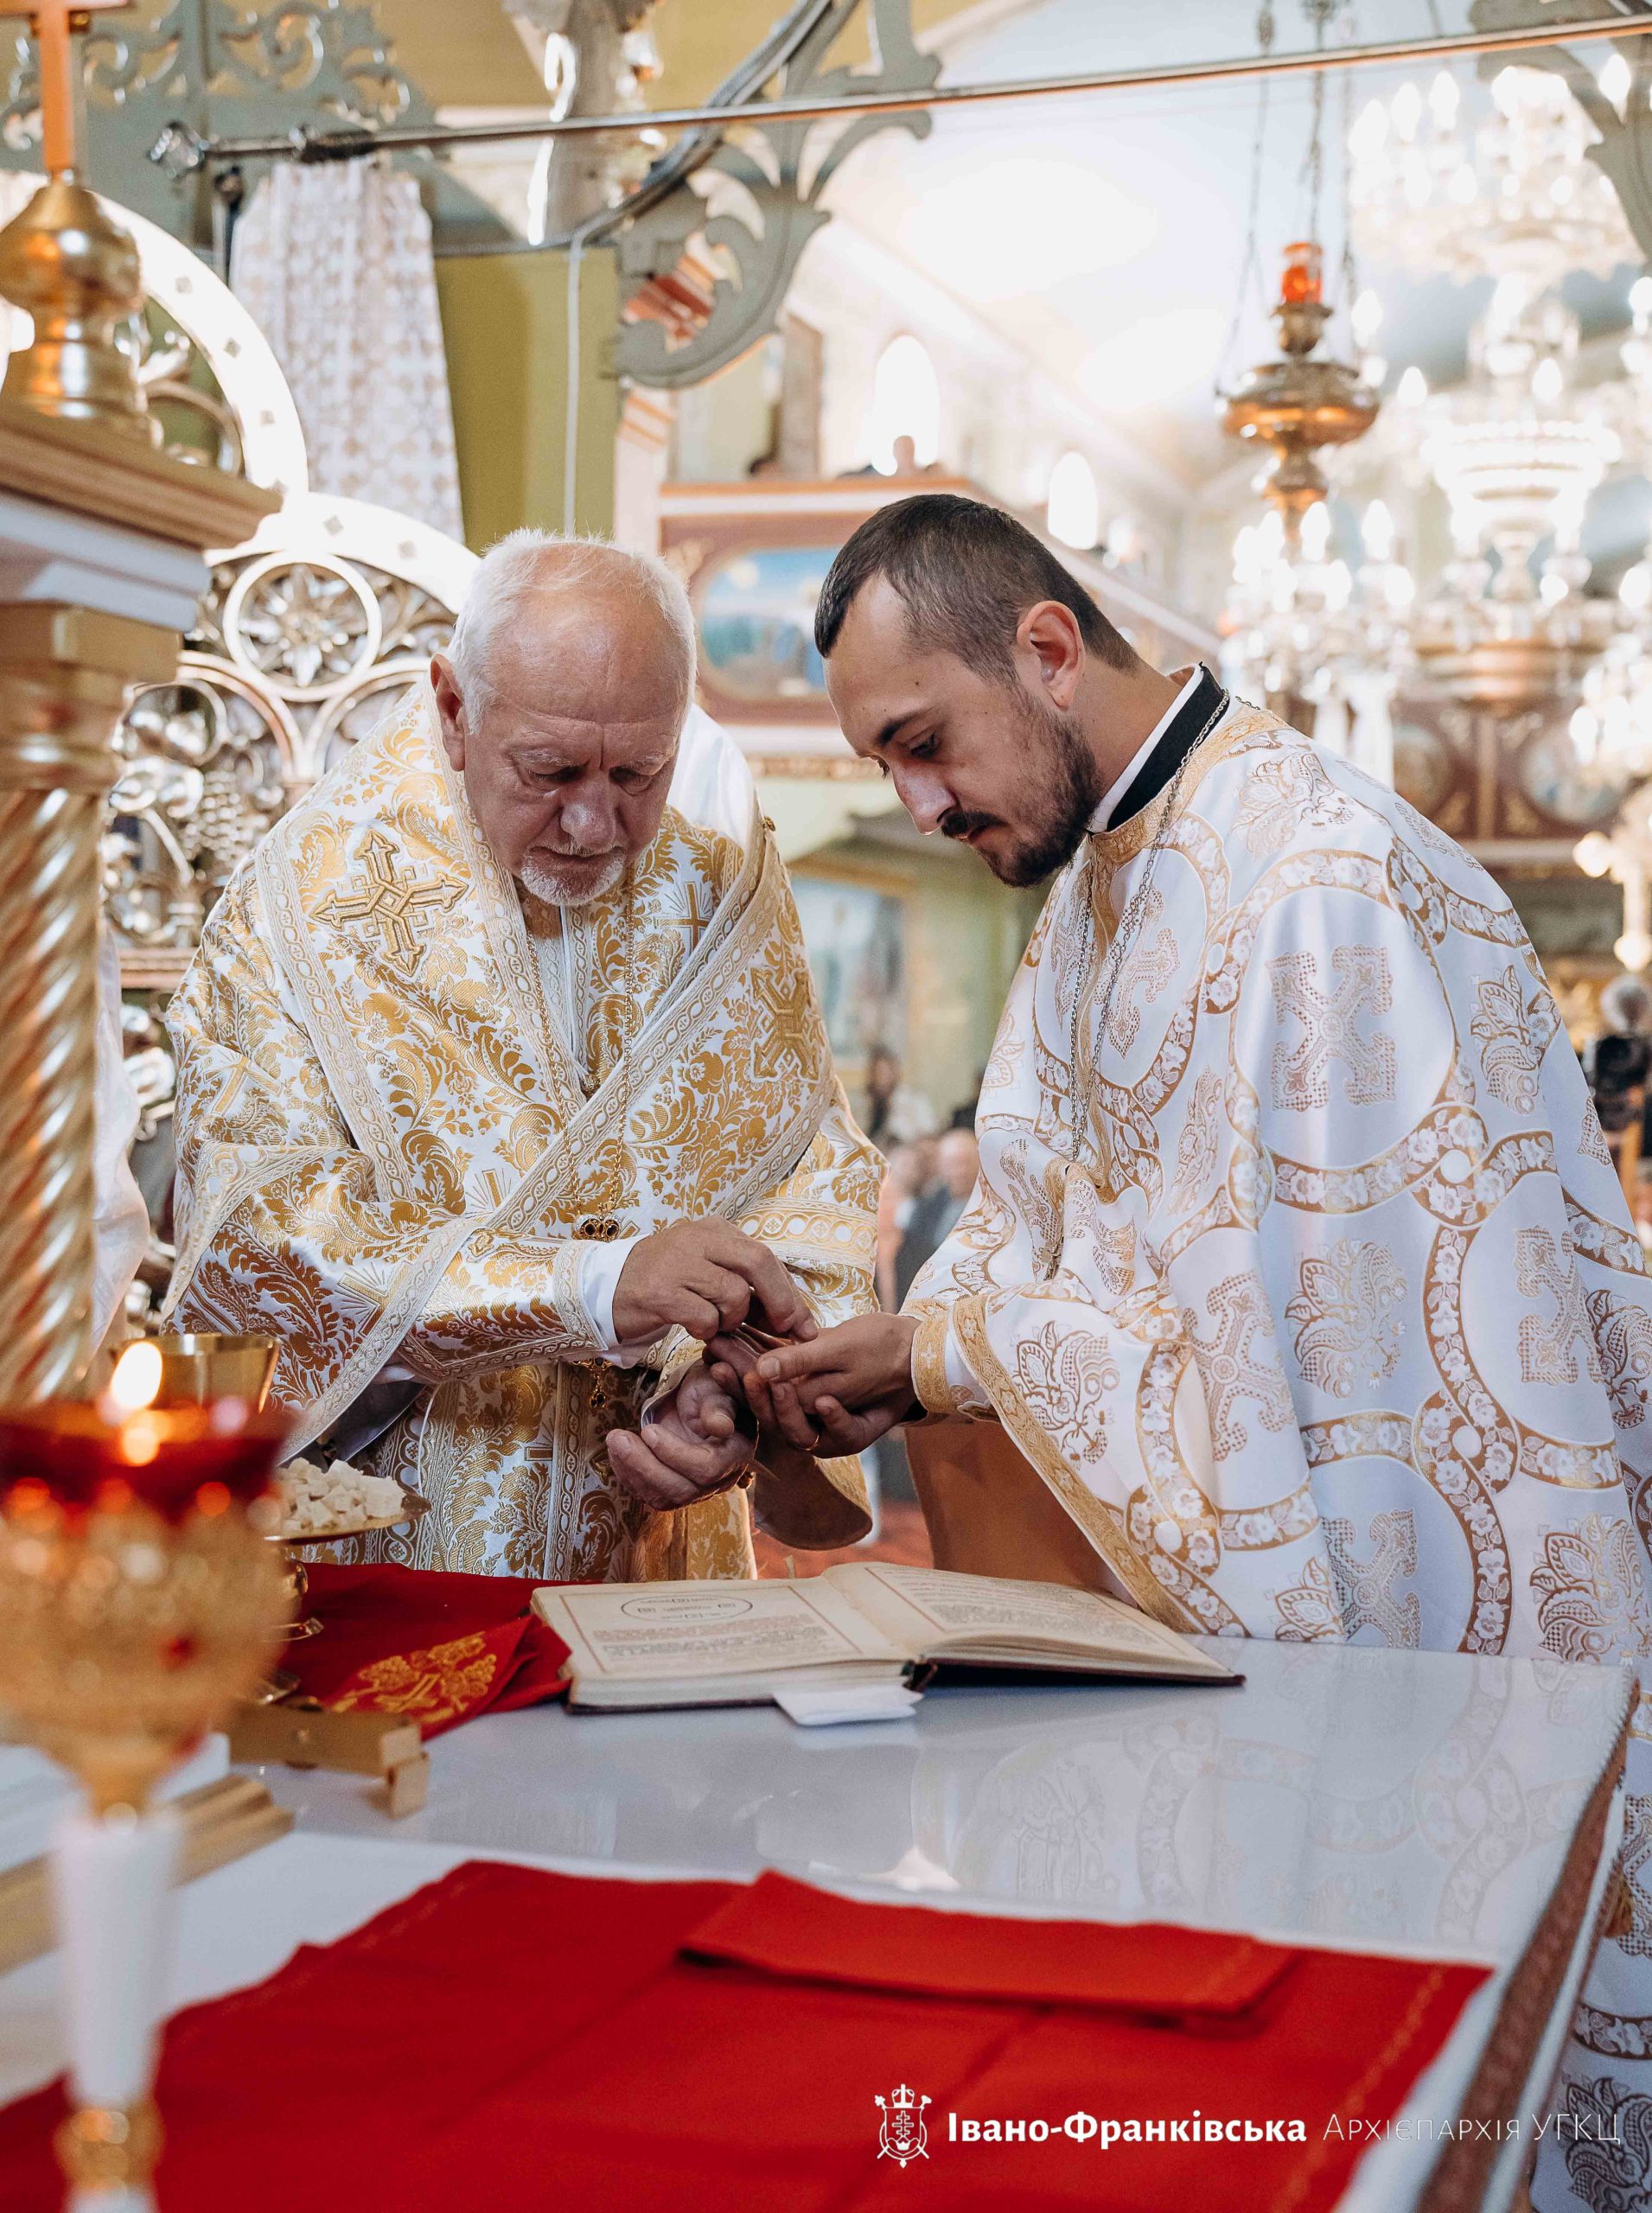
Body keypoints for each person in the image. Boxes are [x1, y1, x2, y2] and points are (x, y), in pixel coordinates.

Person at [711, 494, 1652, 2207]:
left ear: (1047, 652)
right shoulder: (1084, 908)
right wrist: (878, 1356)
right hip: (1167, 1647)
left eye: (923, 743)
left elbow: (1342, 1405)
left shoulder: (1321, 888)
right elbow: (1023, 1256)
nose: (916, 805)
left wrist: (954, 1345)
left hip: (1407, 1658)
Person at [163, 530, 880, 1581]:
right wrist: (586, 1287)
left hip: (652, 1570)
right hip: (390, 1552)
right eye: (549, 770)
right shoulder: (299, 911)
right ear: (455, 710)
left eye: (640, 770)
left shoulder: (718, 894)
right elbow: (255, 1240)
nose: (595, 823)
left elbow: (807, 1180)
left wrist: (723, 1390)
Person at [892, 1124, 979, 1309]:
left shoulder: (991, 1204)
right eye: (952, 1164)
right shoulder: (926, 1208)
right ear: (941, 1168)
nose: (959, 1171)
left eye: (965, 1163)